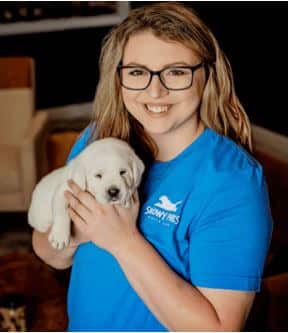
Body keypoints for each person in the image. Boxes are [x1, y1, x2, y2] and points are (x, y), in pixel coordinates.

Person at [32, 3, 273, 331]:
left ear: (207, 75)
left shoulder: (233, 181)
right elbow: (46, 249)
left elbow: (216, 329)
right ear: (118, 78)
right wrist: (77, 232)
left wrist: (123, 241)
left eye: (176, 72)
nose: (154, 91)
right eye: (137, 72)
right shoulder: (100, 142)